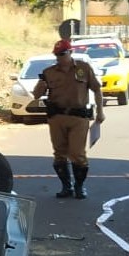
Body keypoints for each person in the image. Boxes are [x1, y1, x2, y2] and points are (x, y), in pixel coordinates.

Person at [33, 38, 105, 199]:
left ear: (70, 52)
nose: (59, 57)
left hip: (78, 117)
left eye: (62, 54)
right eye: (57, 54)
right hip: (57, 117)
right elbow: (36, 95)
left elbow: (97, 90)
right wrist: (41, 86)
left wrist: (100, 112)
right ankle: (66, 186)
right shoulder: (49, 72)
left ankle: (79, 186)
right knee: (59, 154)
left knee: (77, 154)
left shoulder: (83, 68)